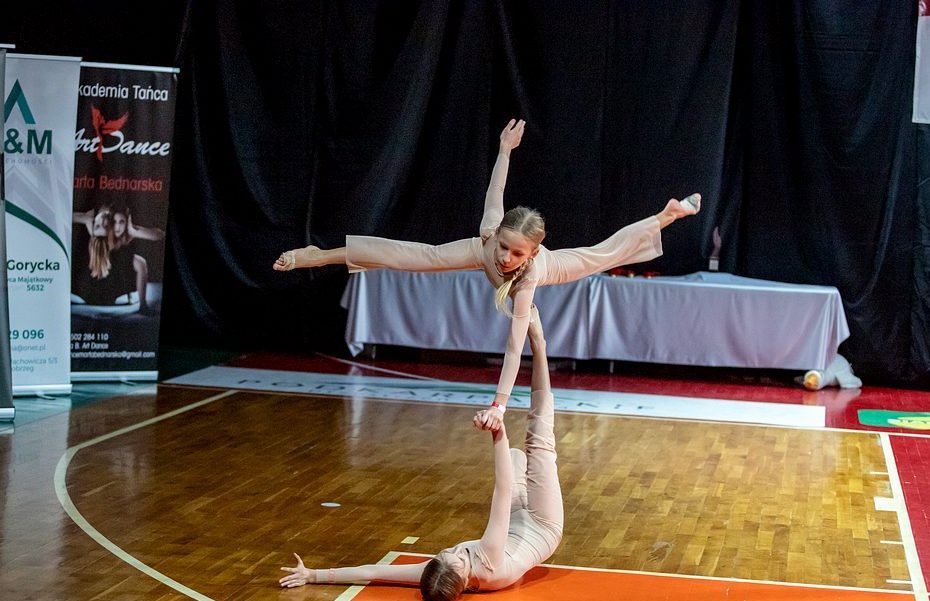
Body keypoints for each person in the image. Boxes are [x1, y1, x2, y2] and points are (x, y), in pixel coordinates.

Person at [272, 120, 701, 429]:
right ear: (496, 236)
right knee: (414, 256)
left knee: (598, 259)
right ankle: (319, 255)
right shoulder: (488, 235)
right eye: (505, 248)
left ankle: (664, 216)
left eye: (517, 253)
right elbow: (496, 190)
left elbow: (512, 348)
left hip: (548, 272)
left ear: (530, 252)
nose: (508, 258)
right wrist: (504, 150)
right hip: (476, 252)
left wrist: (499, 405)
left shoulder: (529, 274)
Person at [279, 306, 564, 601]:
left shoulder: (439, 572)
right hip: (543, 524)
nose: (457, 550)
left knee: (516, 457)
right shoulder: (489, 560)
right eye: (459, 557)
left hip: (517, 523)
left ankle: (535, 356)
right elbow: (502, 491)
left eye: (446, 552)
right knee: (537, 443)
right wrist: (497, 431)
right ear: (468, 582)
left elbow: (374, 572)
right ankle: (539, 344)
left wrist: (313, 575)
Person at [72, 206, 164, 313]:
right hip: (94, 275)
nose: (104, 215)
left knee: (140, 262)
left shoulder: (120, 230)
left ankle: (143, 306)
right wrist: (85, 219)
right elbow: (68, 216)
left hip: (114, 277)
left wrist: (134, 231)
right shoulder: (93, 222)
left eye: (107, 215)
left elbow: (159, 235)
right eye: (102, 213)